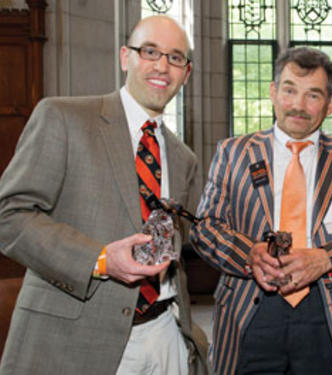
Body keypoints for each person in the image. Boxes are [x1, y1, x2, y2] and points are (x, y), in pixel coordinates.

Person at [0, 15, 208, 374]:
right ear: (125, 57)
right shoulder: (63, 118)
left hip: (165, 337)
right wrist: (98, 259)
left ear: (185, 73)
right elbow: (10, 216)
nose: (162, 65)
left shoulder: (183, 158)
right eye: (150, 51)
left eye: (175, 57)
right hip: (78, 340)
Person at [190, 46, 332, 375]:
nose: (298, 105)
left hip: (328, 308)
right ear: (273, 92)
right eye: (290, 90)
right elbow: (205, 227)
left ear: (331, 103)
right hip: (249, 306)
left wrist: (326, 258)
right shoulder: (233, 152)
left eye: (313, 95)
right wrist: (248, 255)